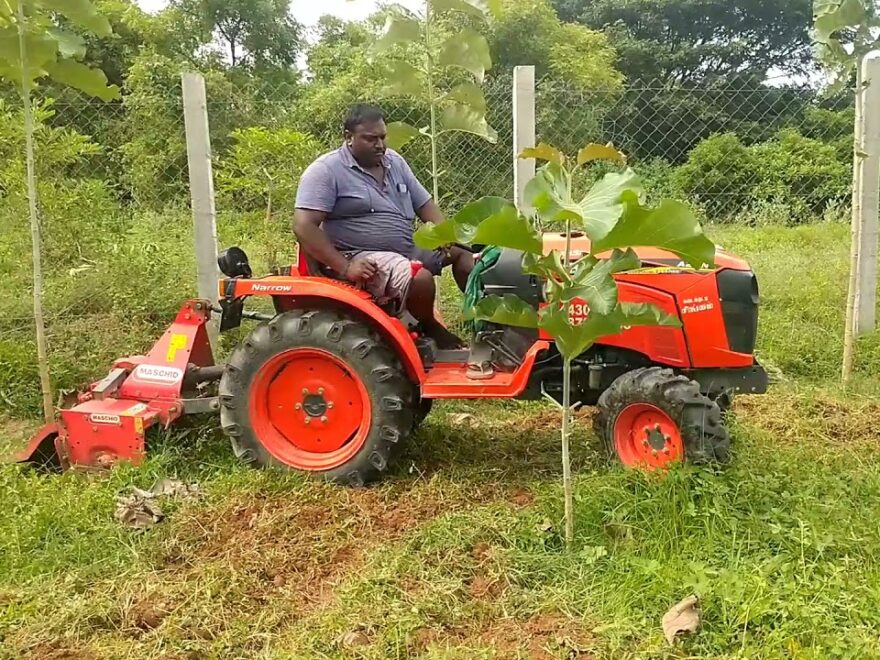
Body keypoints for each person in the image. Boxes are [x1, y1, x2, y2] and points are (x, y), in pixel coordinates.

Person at [293, 103, 473, 349]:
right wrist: (346, 267)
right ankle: (430, 327)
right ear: (349, 137)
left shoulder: (394, 162)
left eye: (382, 137)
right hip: (360, 256)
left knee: (468, 256)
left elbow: (425, 204)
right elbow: (304, 226)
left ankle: (483, 325)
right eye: (370, 139)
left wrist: (443, 234)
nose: (379, 144)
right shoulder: (326, 171)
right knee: (419, 278)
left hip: (406, 247)